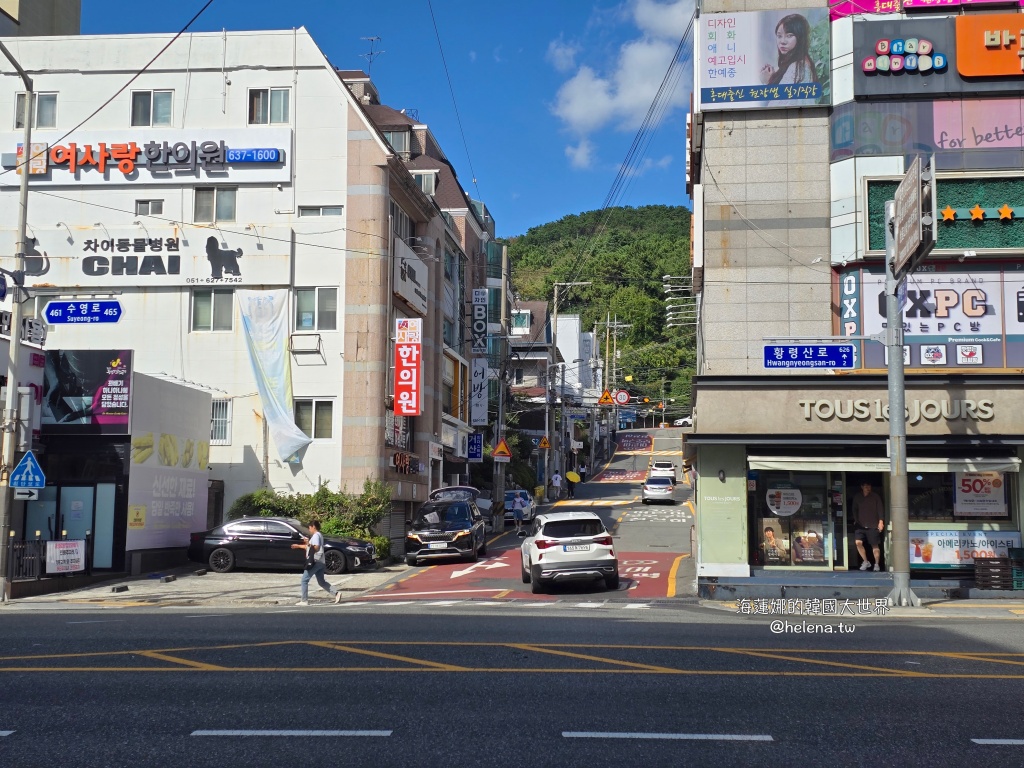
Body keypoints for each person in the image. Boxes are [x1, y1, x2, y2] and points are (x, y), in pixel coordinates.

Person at [291, 519, 342, 605]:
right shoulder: (319, 535)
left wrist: (308, 544)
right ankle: (336, 593)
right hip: (320, 561)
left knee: (304, 580)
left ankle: (304, 600)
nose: (309, 529)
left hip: (315, 561)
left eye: (310, 527)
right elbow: (310, 547)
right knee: (321, 582)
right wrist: (299, 546)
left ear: (313, 527)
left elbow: (316, 548)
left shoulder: (316, 536)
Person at [759, 14, 819, 87]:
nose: (782, 41)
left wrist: (767, 81)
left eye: (789, 36)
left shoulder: (797, 68)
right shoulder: (797, 63)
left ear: (800, 38)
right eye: (779, 36)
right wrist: (773, 77)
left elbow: (781, 98)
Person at [852, 481, 885, 571]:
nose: (868, 488)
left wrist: (881, 522)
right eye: (866, 486)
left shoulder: (875, 497)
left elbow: (880, 509)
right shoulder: (858, 497)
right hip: (860, 525)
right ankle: (866, 561)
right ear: (862, 487)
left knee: (874, 545)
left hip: (873, 524)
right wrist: (856, 519)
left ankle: (877, 564)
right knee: (858, 543)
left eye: (869, 486)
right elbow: (854, 509)